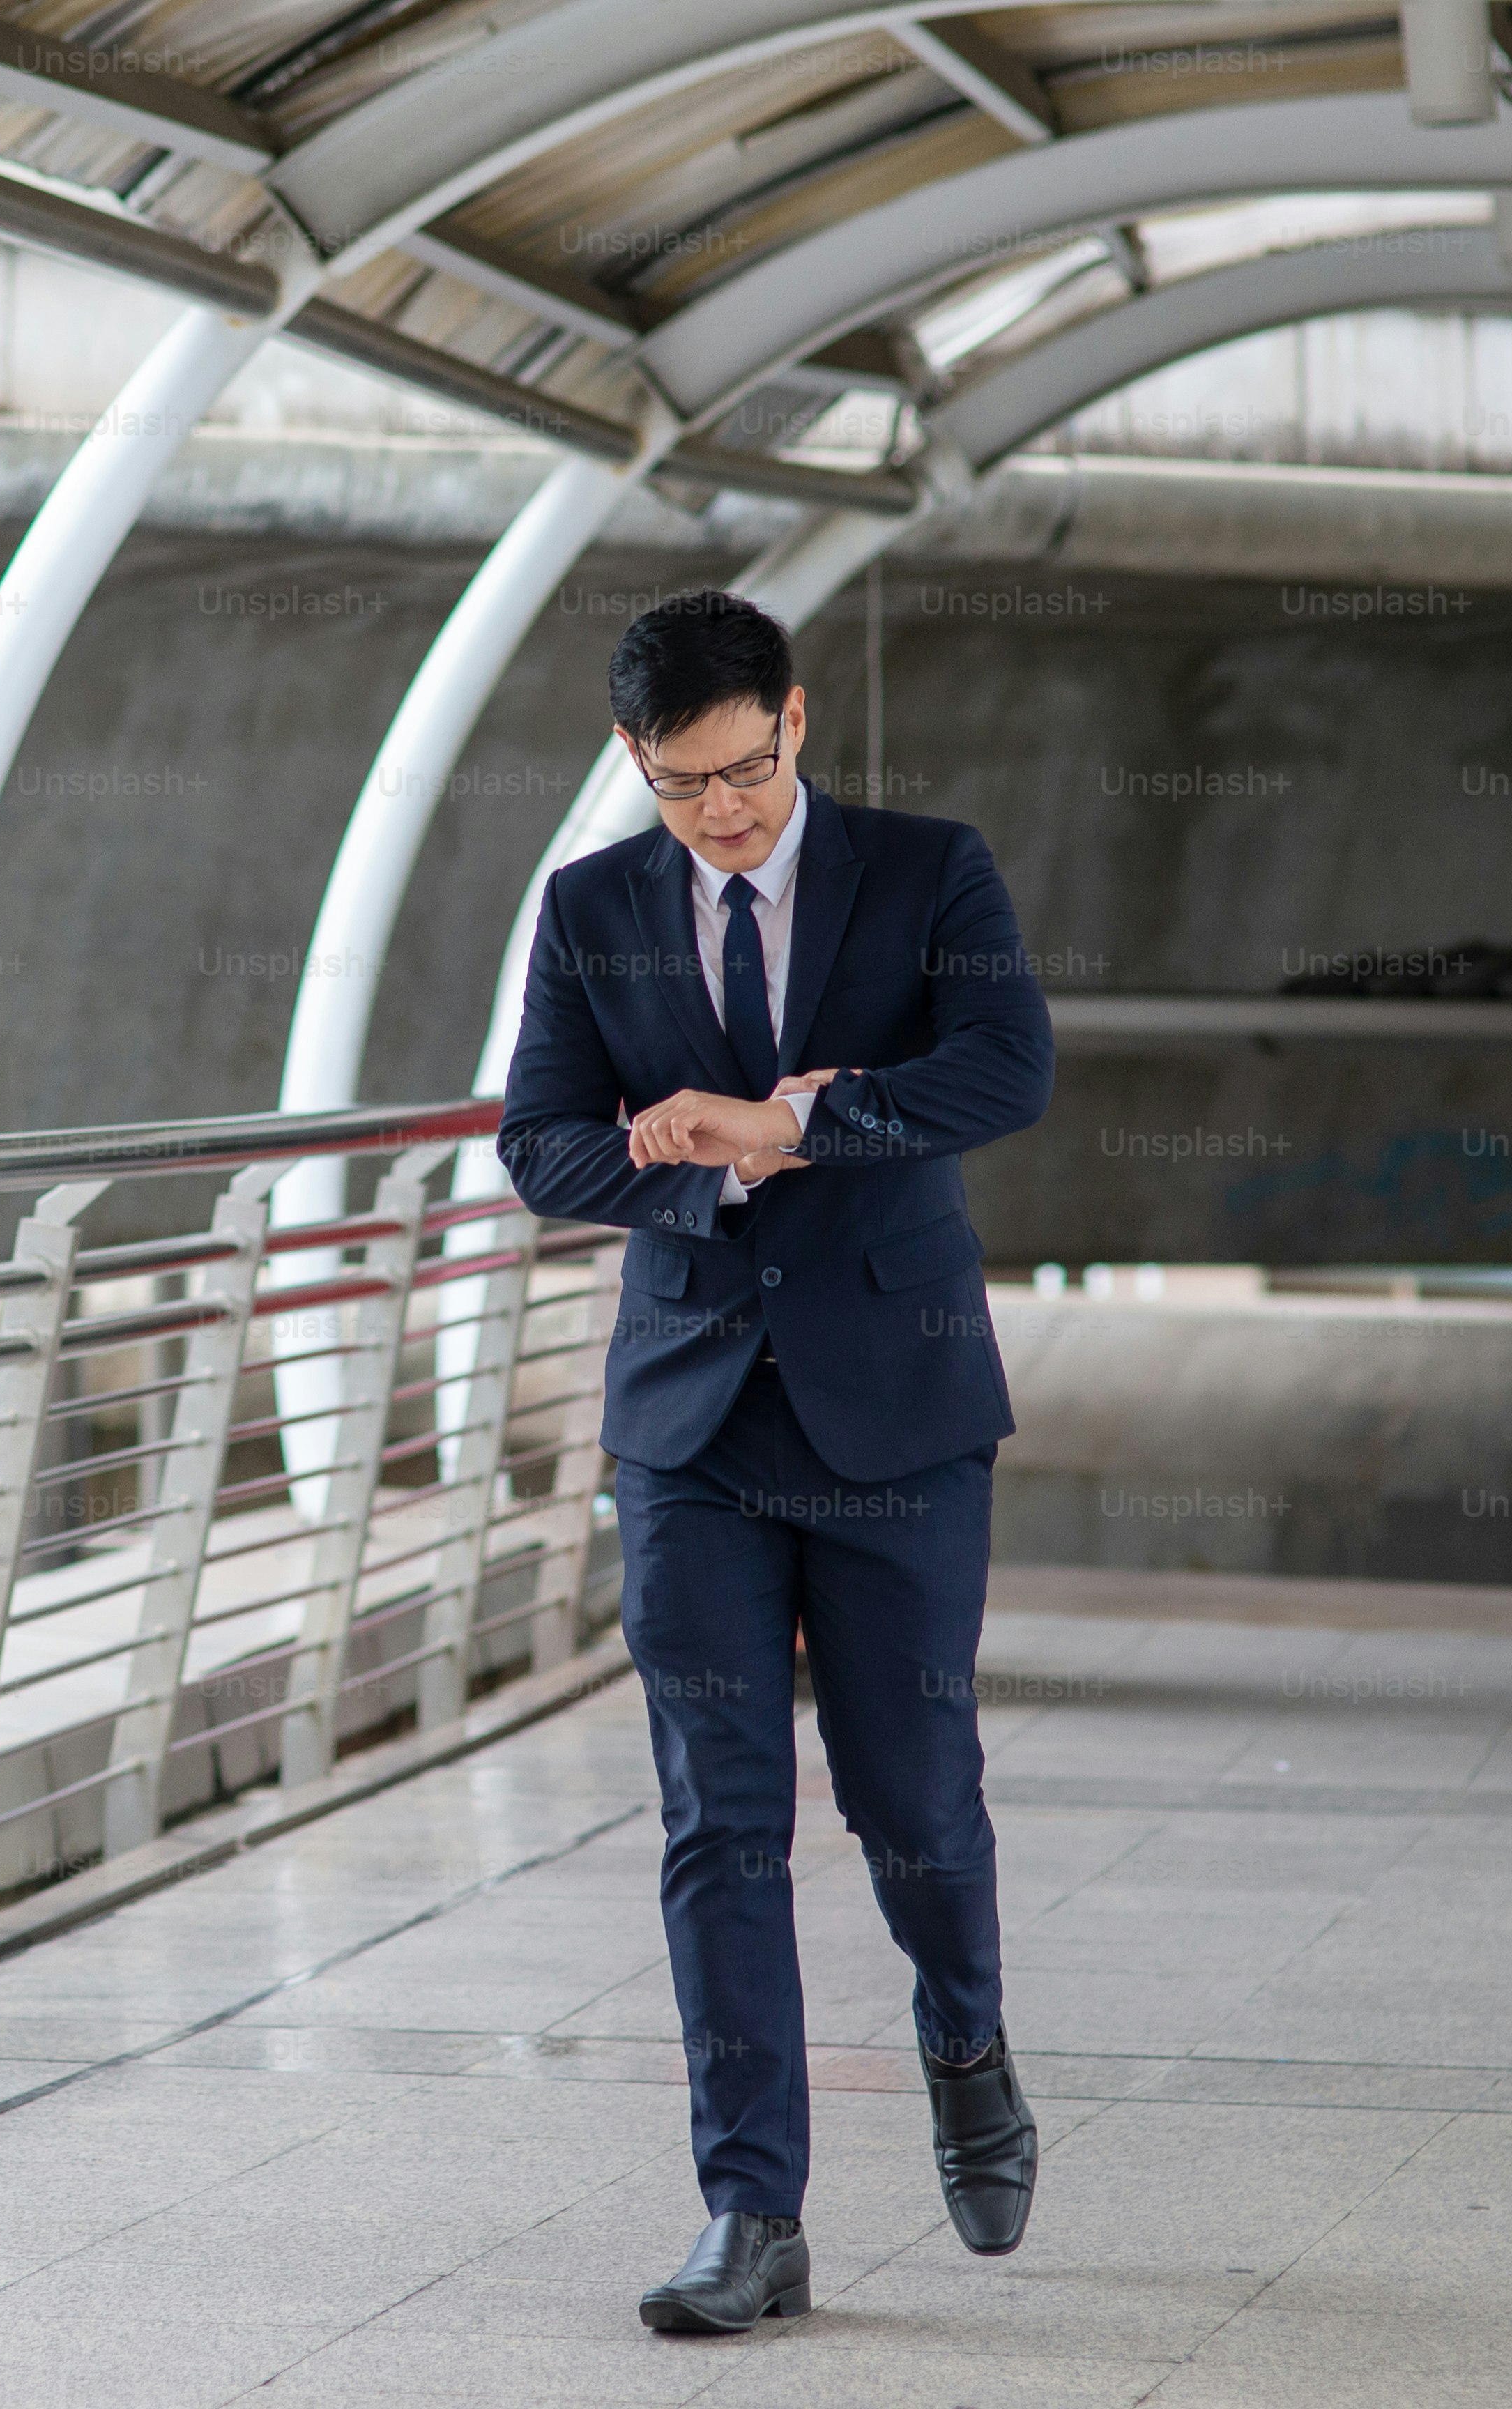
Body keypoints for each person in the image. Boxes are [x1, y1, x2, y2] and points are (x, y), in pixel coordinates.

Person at [497, 590, 1053, 2333]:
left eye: (744, 771)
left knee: (911, 1803)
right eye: (682, 786)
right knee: (717, 1826)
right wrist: (700, 1167)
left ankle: (964, 2034)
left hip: (895, 1405)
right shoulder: (590, 908)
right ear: (633, 763)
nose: (721, 812)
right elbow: (539, 1142)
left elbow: (1005, 1071)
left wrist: (802, 1120)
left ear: (796, 722)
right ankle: (753, 2213)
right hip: (692, 1424)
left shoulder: (926, 867)